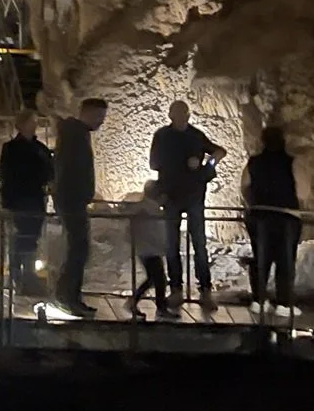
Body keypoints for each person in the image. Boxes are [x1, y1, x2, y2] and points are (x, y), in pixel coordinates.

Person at [148, 101, 226, 305]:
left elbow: (219, 152)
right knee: (172, 244)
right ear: (171, 115)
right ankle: (176, 288)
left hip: (193, 195)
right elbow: (153, 163)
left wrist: (206, 165)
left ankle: (205, 288)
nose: (182, 118)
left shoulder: (195, 135)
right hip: (172, 196)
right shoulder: (163, 136)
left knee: (199, 243)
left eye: (184, 114)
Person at [52, 98, 108, 317]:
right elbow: (69, 168)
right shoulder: (74, 135)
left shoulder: (75, 133)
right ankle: (68, 297)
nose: (101, 122)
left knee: (78, 249)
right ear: (90, 113)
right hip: (72, 199)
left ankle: (69, 295)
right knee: (78, 249)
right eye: (100, 117)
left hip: (73, 199)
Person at [243, 126, 300, 322]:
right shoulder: (290, 162)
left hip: (259, 215)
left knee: (261, 258)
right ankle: (283, 303)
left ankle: (259, 300)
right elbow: (301, 188)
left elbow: (245, 185)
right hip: (286, 216)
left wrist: (253, 204)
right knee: (285, 260)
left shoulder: (254, 162)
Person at [0, 109, 55, 295]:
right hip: (20, 199)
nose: (35, 124)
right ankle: (18, 275)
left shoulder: (40, 149)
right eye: (31, 121)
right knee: (21, 237)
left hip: (35, 198)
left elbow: (48, 171)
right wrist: (7, 202)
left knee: (31, 237)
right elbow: (7, 174)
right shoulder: (12, 148)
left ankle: (26, 275)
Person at [127, 181, 178, 321]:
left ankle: (134, 301)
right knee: (159, 279)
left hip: (148, 249)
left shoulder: (148, 208)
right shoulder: (149, 209)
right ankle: (159, 308)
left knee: (154, 279)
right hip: (149, 250)